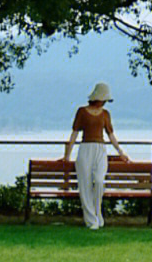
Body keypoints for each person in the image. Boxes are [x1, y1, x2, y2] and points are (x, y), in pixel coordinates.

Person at [63, 81, 127, 229]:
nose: (105, 102)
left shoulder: (105, 114)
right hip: (85, 149)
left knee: (99, 180)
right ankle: (91, 220)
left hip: (100, 149)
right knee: (84, 185)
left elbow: (111, 135)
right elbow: (74, 134)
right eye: (104, 99)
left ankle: (98, 215)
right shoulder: (82, 111)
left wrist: (121, 153)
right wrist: (67, 155)